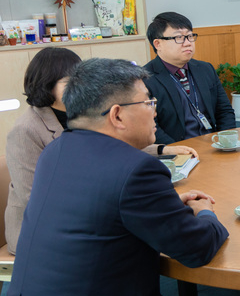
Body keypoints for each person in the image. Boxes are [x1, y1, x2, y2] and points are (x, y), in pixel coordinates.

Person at [0, 58, 230, 296]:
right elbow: (196, 249)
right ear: (117, 115)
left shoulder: (56, 151)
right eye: (149, 101)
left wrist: (161, 206)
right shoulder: (136, 169)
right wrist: (206, 212)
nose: (155, 110)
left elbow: (99, 208)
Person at [5, 47, 197, 254]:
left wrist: (162, 149)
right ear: (46, 85)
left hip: (83, 212)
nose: (79, 86)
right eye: (68, 82)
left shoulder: (79, 112)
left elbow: (110, 146)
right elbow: (34, 196)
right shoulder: (25, 130)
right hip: (38, 228)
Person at [143, 11, 235, 144]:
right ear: (158, 44)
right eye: (179, 38)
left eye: (190, 36)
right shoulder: (143, 79)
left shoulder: (205, 69)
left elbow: (225, 111)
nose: (187, 43)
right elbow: (150, 127)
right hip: (177, 151)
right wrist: (178, 151)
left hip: (215, 145)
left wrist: (225, 141)